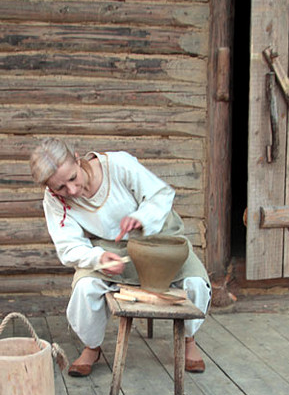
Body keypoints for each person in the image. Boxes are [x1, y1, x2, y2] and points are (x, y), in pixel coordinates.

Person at [29, 138, 211, 376]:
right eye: (60, 188)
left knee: (195, 282)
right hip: (110, 249)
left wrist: (142, 217)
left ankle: (188, 340)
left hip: (156, 239)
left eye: (73, 178)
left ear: (77, 158)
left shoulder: (117, 165)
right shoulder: (54, 200)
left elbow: (161, 195)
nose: (71, 191)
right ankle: (92, 347)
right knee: (85, 287)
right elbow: (68, 246)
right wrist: (98, 258)